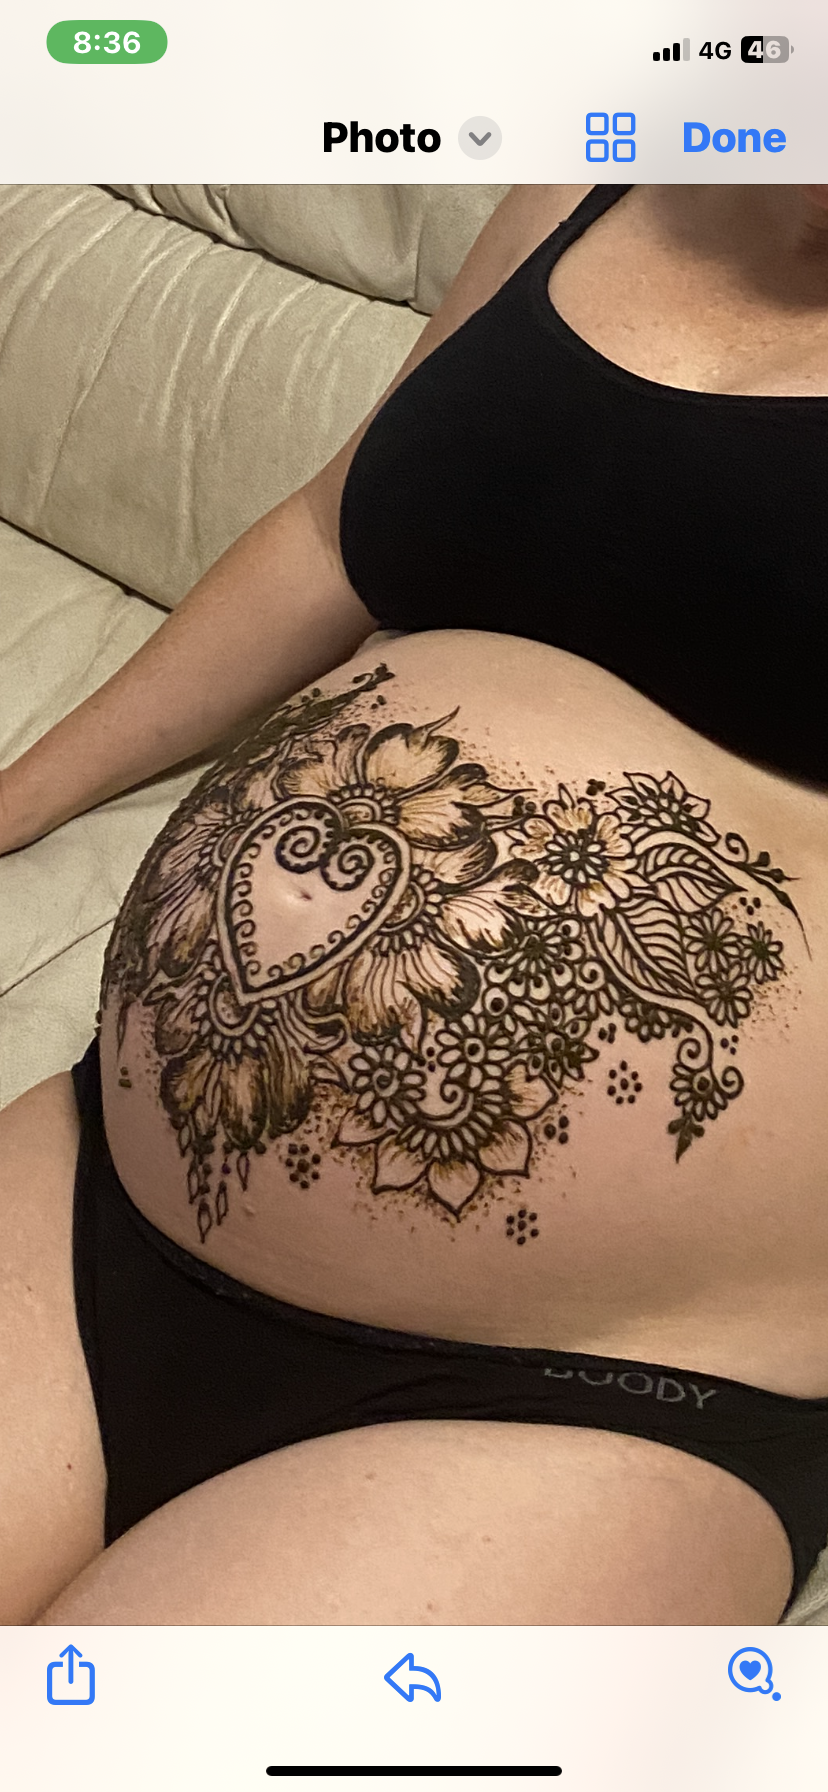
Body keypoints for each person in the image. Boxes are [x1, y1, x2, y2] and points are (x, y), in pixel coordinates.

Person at [1, 183, 827, 1628]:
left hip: (591, 1392)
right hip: (96, 1195)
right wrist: (16, 796)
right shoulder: (588, 179)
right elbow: (334, 535)